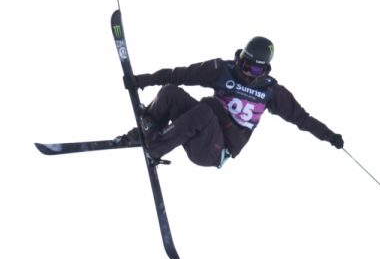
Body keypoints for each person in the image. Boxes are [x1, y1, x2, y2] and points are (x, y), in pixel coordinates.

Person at [117, 36, 344, 168]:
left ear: (264, 70)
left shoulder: (271, 91)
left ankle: (155, 147)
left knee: (207, 110)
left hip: (214, 149)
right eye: (244, 64)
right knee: (170, 93)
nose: (247, 72)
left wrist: (330, 136)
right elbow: (181, 74)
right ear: (239, 58)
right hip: (198, 127)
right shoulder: (223, 70)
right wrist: (142, 80)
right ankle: (146, 132)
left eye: (254, 70)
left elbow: (302, 119)